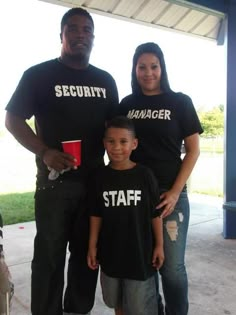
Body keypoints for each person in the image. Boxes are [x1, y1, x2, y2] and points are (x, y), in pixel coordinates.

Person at [5, 7, 119, 315]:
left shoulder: (106, 81)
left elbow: (117, 130)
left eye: (87, 30)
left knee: (86, 256)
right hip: (55, 187)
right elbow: (13, 119)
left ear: (93, 37)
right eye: (73, 29)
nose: (80, 34)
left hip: (94, 184)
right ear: (62, 35)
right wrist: (45, 152)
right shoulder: (38, 75)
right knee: (49, 258)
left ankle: (78, 310)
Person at [118, 42, 203, 315]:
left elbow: (193, 150)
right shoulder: (127, 105)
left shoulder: (180, 102)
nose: (148, 72)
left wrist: (177, 192)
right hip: (135, 196)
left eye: (153, 66)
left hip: (170, 196)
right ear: (135, 69)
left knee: (172, 268)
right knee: (147, 263)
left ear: (162, 68)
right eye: (142, 67)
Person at [87, 116, 164, 315]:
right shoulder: (99, 177)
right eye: (111, 141)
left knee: (139, 306)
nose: (117, 147)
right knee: (115, 301)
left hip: (139, 255)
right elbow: (96, 214)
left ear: (134, 143)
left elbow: (154, 214)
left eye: (123, 141)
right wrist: (92, 245)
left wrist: (159, 245)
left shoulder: (145, 175)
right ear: (104, 143)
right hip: (111, 254)